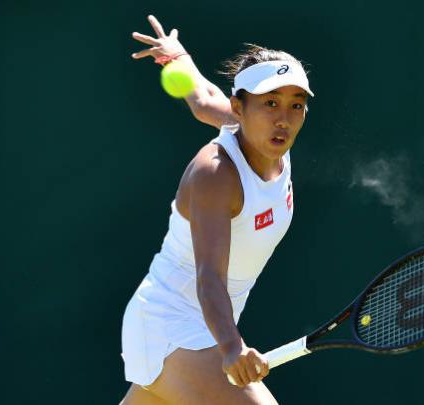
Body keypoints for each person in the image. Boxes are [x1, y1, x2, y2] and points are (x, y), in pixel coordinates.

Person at [119, 15, 314, 405]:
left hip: (203, 328)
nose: (283, 118)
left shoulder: (270, 139)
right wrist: (231, 347)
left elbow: (204, 99)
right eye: (270, 103)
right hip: (169, 325)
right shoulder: (216, 174)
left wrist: (177, 56)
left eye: (296, 105)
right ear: (238, 108)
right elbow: (210, 277)